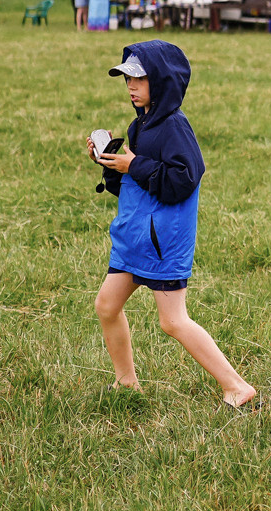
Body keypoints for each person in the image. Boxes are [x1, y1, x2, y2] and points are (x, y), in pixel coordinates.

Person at [90, 42, 260, 411]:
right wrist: (111, 164)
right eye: (127, 79)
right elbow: (141, 183)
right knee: (107, 305)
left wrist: (133, 165)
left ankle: (236, 386)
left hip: (162, 240)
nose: (131, 86)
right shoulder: (142, 124)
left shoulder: (173, 127)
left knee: (173, 321)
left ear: (162, 81)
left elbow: (184, 180)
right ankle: (126, 384)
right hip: (135, 236)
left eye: (139, 78)